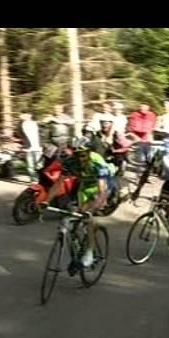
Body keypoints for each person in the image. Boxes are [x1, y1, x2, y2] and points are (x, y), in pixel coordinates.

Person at [42, 138, 111, 269]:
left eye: (83, 155)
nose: (80, 159)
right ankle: (78, 247)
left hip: (101, 187)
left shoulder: (97, 162)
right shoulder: (70, 162)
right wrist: (46, 201)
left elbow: (102, 190)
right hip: (85, 187)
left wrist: (96, 205)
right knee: (75, 216)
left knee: (88, 216)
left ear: (90, 152)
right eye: (77, 155)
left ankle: (90, 252)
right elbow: (58, 184)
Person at [19, 112, 42, 182]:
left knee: (39, 165)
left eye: (27, 115)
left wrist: (42, 145)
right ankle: (34, 180)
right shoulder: (21, 125)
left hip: (38, 147)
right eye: (24, 115)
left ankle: (40, 180)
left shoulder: (35, 123)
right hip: (28, 148)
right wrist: (23, 146)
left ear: (30, 115)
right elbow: (21, 136)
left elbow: (42, 134)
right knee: (30, 166)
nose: (26, 116)